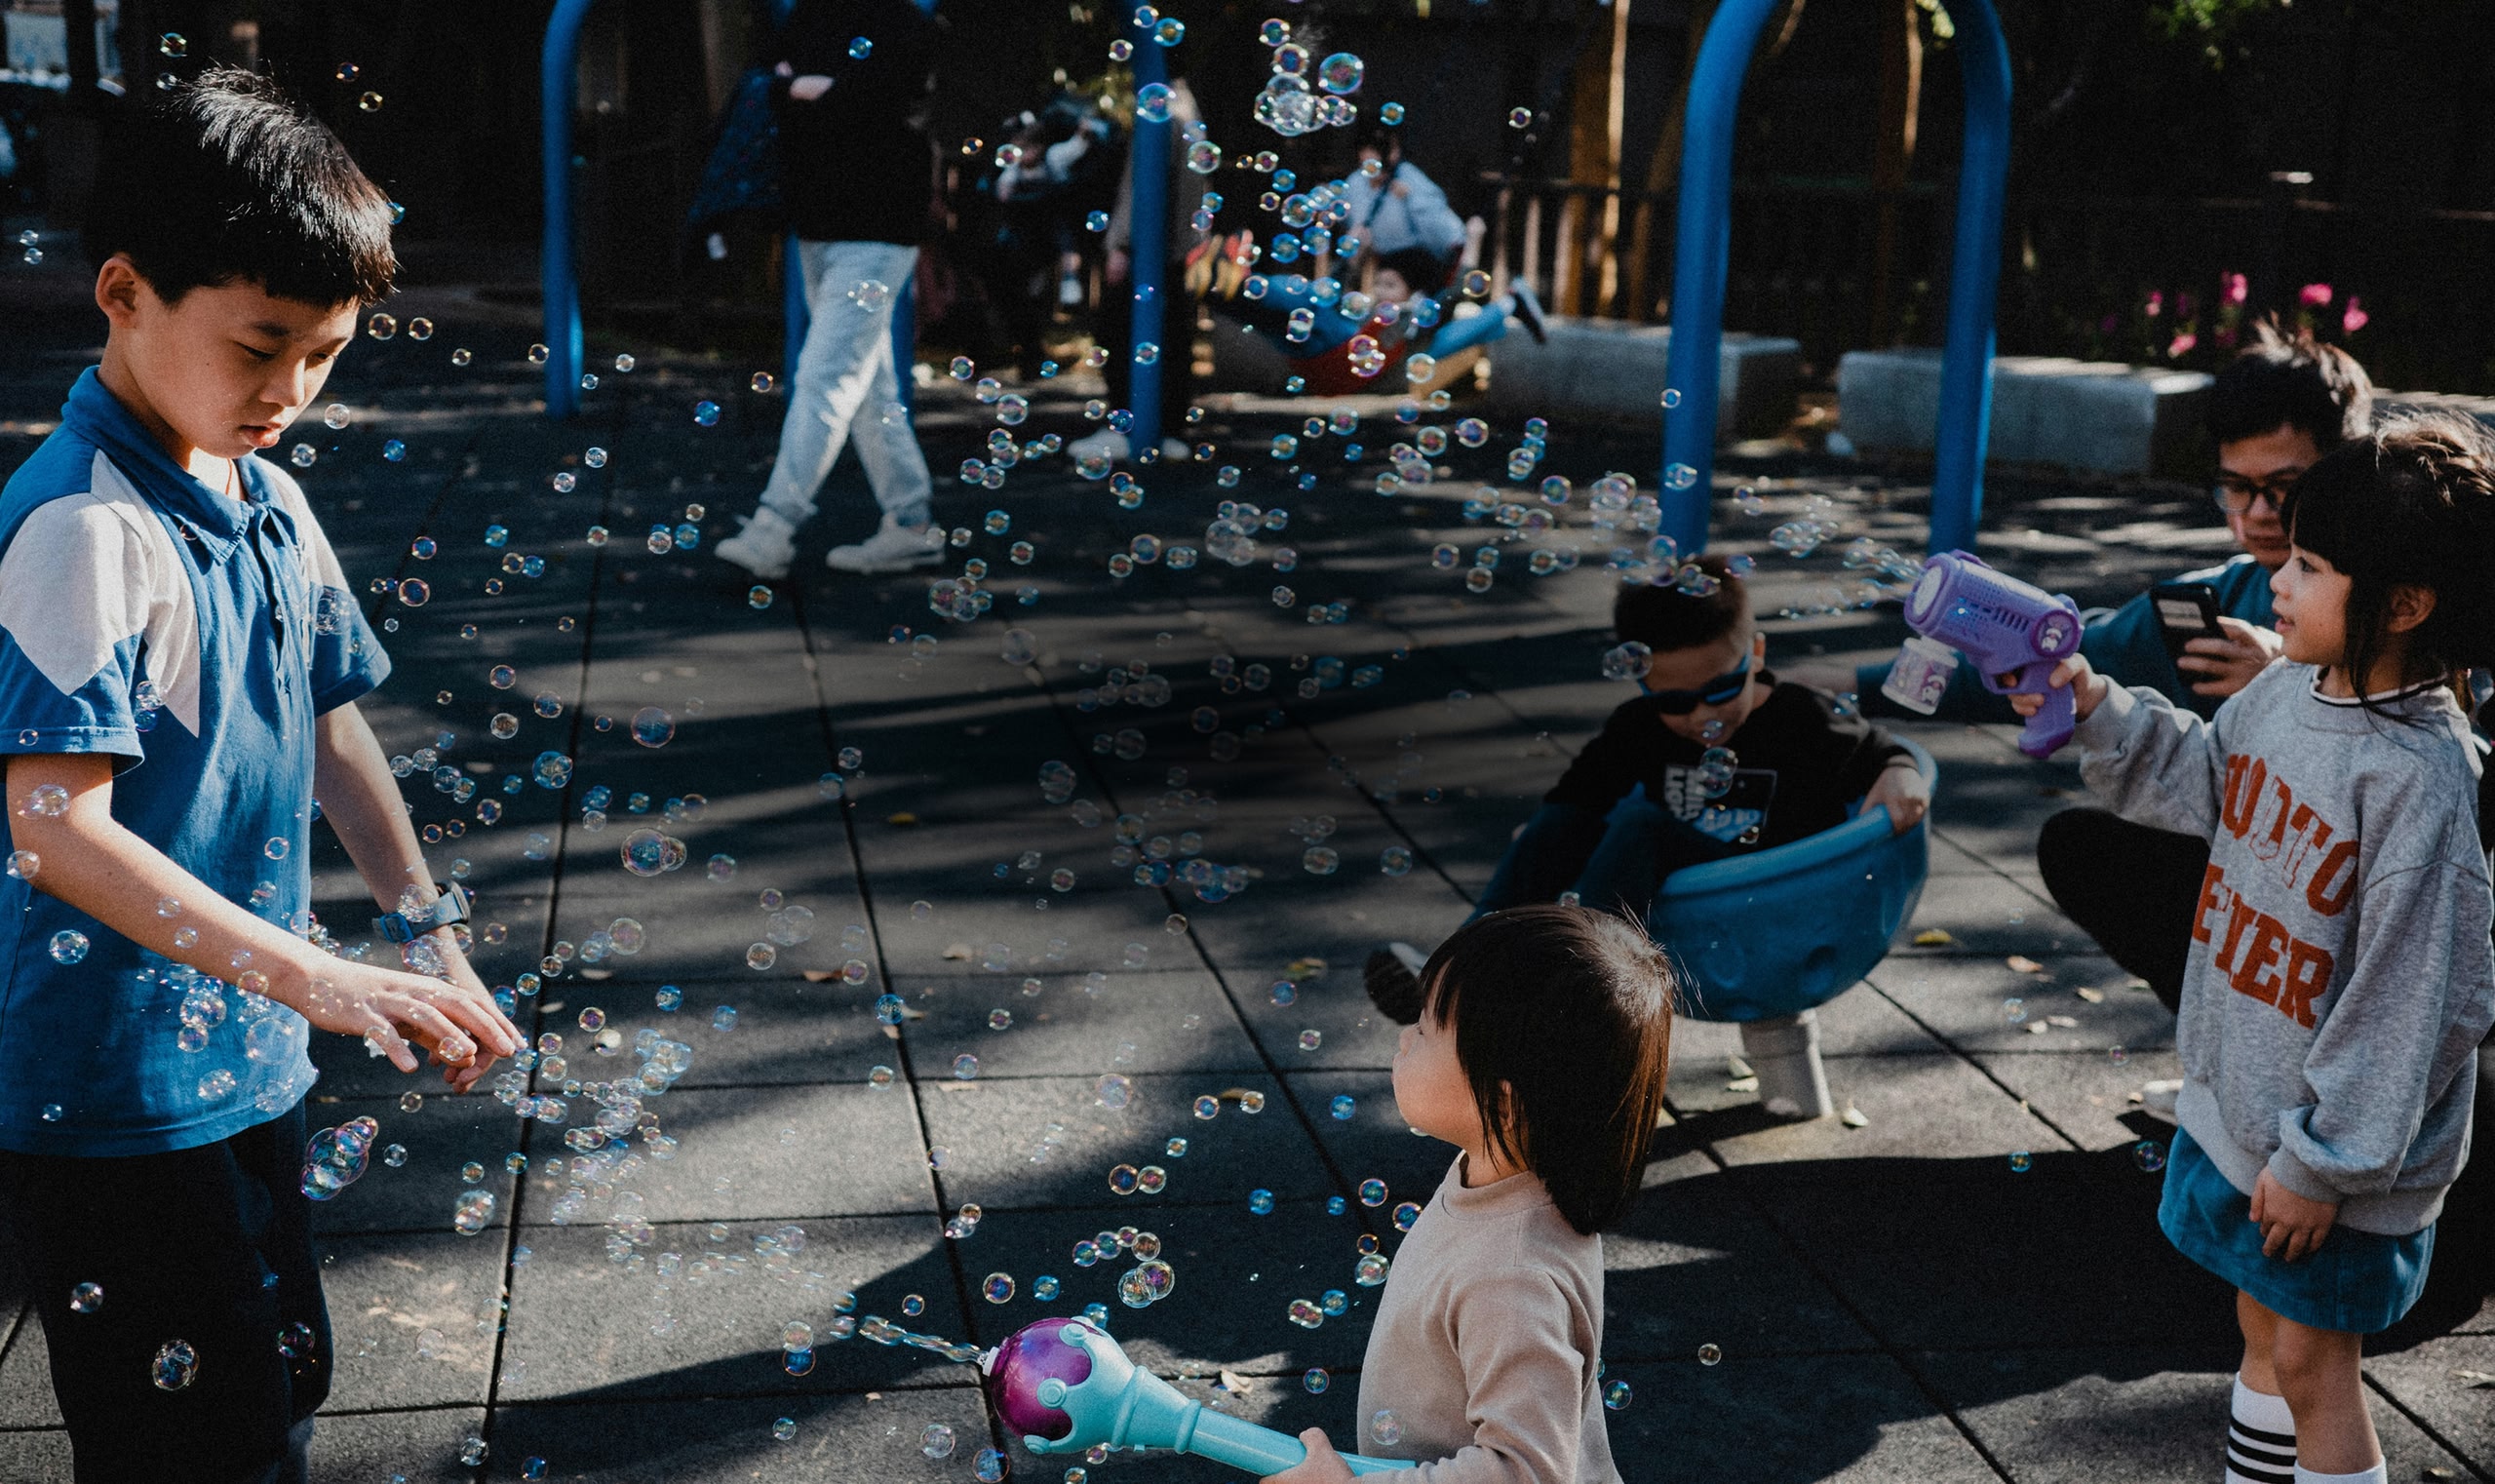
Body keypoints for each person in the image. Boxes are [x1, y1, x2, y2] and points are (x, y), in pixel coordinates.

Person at [0, 68, 521, 1483]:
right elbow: (53, 826)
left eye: (326, 352)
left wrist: (427, 937)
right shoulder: (82, 530)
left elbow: (332, 728)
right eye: (259, 345)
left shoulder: (266, 493)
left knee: (277, 1377)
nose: (290, 390)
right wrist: (317, 974)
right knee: (190, 1433)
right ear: (123, 293)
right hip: (108, 1092)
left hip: (242, 1054)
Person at [2009, 412, 2495, 1484]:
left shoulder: (2418, 783)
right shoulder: (2289, 689)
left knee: (2320, 1366)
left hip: (2336, 1153)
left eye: (2313, 565)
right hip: (2255, 1109)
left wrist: (2324, 1163)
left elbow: (2422, 1002)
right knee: (2261, 1328)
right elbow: (2202, 781)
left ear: (2406, 605)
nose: (2278, 575)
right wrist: (2092, 706)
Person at [1365, 554, 1925, 1117]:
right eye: (1673, 702)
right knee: (1565, 822)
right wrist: (1549, 842)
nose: (1700, 714)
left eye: (1721, 688)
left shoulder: (1803, 717)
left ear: (1755, 653)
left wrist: (1898, 772)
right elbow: (1575, 800)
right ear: (1641, 678)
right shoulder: (1638, 729)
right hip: (1678, 911)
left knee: (1640, 825)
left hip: (1778, 898)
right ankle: (1462, 966)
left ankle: (1581, 984)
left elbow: (1883, 751)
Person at [1265, 905, 1672, 1484]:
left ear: (1501, 1103)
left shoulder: (1510, 1276)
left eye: (1428, 1027)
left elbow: (1525, 1472)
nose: (1406, 1038)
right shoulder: (1499, 1176)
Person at [715, 0, 946, 580]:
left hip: (879, 231)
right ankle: (912, 523)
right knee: (869, 386)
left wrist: (815, 90)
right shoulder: (803, 17)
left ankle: (774, 527)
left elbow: (891, 97)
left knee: (826, 374)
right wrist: (810, 90)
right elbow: (765, 86)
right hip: (816, 224)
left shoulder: (904, 22)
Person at [1072, 77, 1209, 467]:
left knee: (1121, 331)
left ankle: (1130, 423)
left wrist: (1122, 244)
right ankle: (1162, 427)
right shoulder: (1188, 117)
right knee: (1168, 335)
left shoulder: (1162, 118)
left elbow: (1140, 188)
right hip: (1169, 251)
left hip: (1148, 251)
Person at [1338, 124, 1468, 274]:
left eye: (1391, 148)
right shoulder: (1354, 183)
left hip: (1413, 267)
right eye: (1374, 148)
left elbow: (1449, 236)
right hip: (1375, 267)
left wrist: (1412, 200)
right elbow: (1348, 225)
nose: (1391, 155)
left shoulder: (1410, 178)